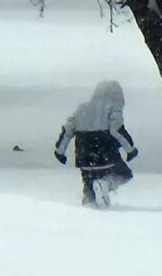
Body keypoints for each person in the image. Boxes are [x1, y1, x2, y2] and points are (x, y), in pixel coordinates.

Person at [54, 80, 138, 208]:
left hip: (83, 156)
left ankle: (90, 207)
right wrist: (130, 149)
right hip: (104, 153)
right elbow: (117, 130)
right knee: (124, 173)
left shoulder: (82, 108)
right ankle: (106, 184)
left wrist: (60, 152)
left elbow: (67, 131)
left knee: (88, 182)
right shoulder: (112, 108)